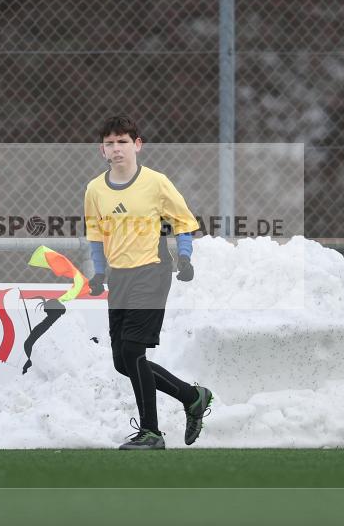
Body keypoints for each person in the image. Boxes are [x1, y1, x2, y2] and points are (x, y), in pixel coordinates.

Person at [84, 115, 213, 450]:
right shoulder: (95, 189)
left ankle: (151, 433)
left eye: (123, 141)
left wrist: (184, 257)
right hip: (119, 277)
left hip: (152, 272)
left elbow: (183, 221)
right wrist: (99, 273)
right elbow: (96, 236)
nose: (117, 148)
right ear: (102, 150)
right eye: (110, 143)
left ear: (137, 145)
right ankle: (192, 396)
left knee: (132, 350)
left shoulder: (157, 183)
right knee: (122, 362)